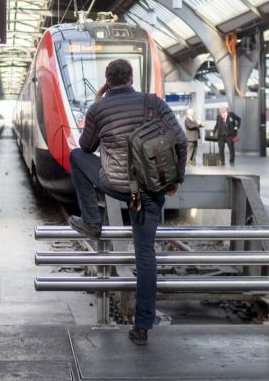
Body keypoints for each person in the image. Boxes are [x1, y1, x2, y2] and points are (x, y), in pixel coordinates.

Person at [67, 59, 187, 346]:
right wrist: (174, 179)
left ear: (107, 82)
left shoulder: (98, 108)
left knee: (74, 156)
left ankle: (92, 222)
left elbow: (86, 148)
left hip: (117, 186)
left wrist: (96, 106)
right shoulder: (153, 103)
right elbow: (181, 141)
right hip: (150, 189)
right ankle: (142, 327)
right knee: (145, 255)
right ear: (132, 78)